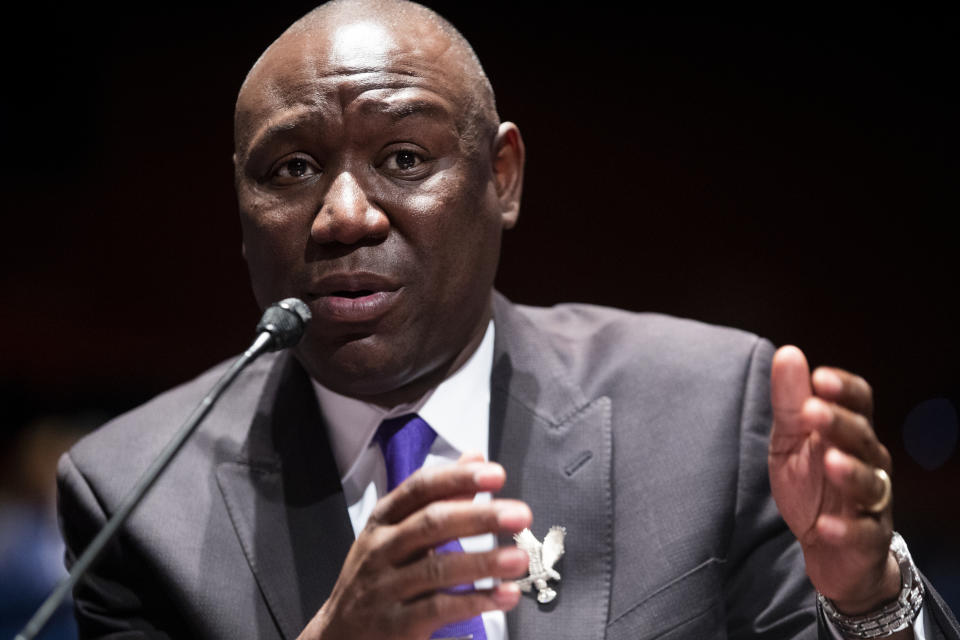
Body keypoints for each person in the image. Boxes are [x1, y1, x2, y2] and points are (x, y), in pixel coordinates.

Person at [57, 1, 960, 639]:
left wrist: (864, 596)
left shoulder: (707, 412)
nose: (342, 215)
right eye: (290, 170)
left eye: (403, 156)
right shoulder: (135, 502)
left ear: (502, 178)